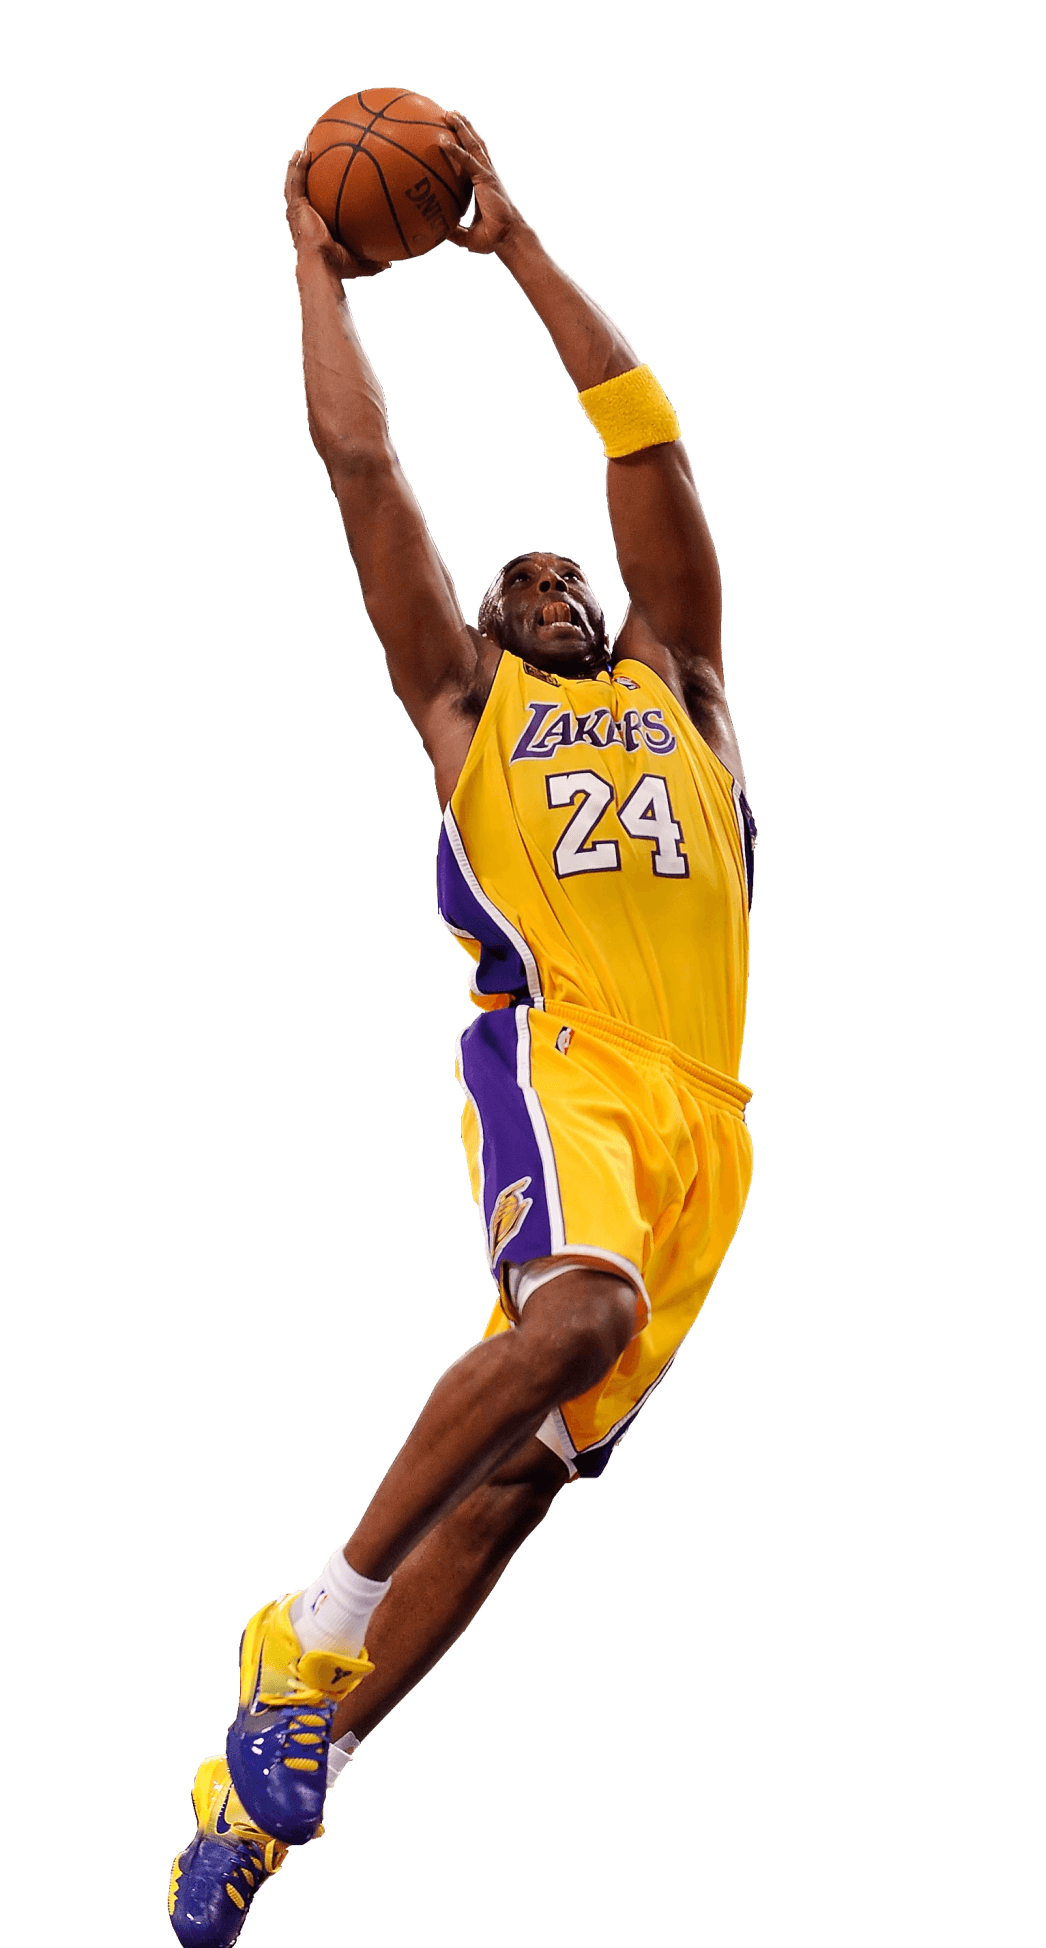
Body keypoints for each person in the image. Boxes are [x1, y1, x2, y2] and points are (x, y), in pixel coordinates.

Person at [168, 112, 757, 1946]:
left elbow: (644, 435)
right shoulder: (465, 713)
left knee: (522, 1487)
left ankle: (270, 1802)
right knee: (582, 1314)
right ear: (486, 639)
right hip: (561, 1056)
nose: (545, 582)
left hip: (711, 1122)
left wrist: (517, 246)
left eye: (567, 576)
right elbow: (364, 467)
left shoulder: (688, 689)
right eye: (515, 587)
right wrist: (313, 271)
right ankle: (311, 1623)